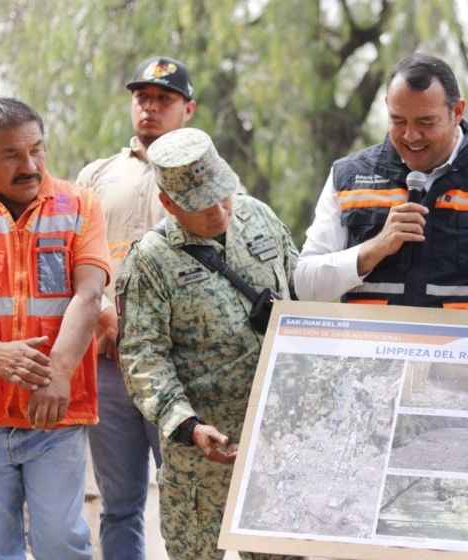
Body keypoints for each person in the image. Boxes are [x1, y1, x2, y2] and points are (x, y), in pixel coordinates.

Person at [116, 127, 300, 560]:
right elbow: (143, 357)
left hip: (273, 445)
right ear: (167, 203)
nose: (219, 211)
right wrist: (187, 425)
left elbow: (303, 292)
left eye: (223, 195)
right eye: (201, 205)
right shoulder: (149, 259)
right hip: (200, 461)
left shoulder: (259, 218)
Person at [295, 52, 468, 312]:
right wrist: (373, 249)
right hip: (372, 356)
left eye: (426, 121)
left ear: (457, 112)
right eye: (398, 120)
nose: (411, 136)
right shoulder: (348, 177)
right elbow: (305, 285)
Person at [75, 54, 197, 560]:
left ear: (187, 109)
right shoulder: (97, 174)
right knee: (120, 505)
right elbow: (70, 254)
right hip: (107, 364)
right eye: (142, 98)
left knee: (186, 498)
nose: (150, 108)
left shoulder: (207, 174)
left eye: (163, 99)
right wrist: (103, 311)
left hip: (178, 365)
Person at [0, 97, 110, 559]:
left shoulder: (80, 205)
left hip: (56, 414)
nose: (30, 164)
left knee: (61, 542)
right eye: (12, 154)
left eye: (37, 150)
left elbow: (89, 295)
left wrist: (56, 376)